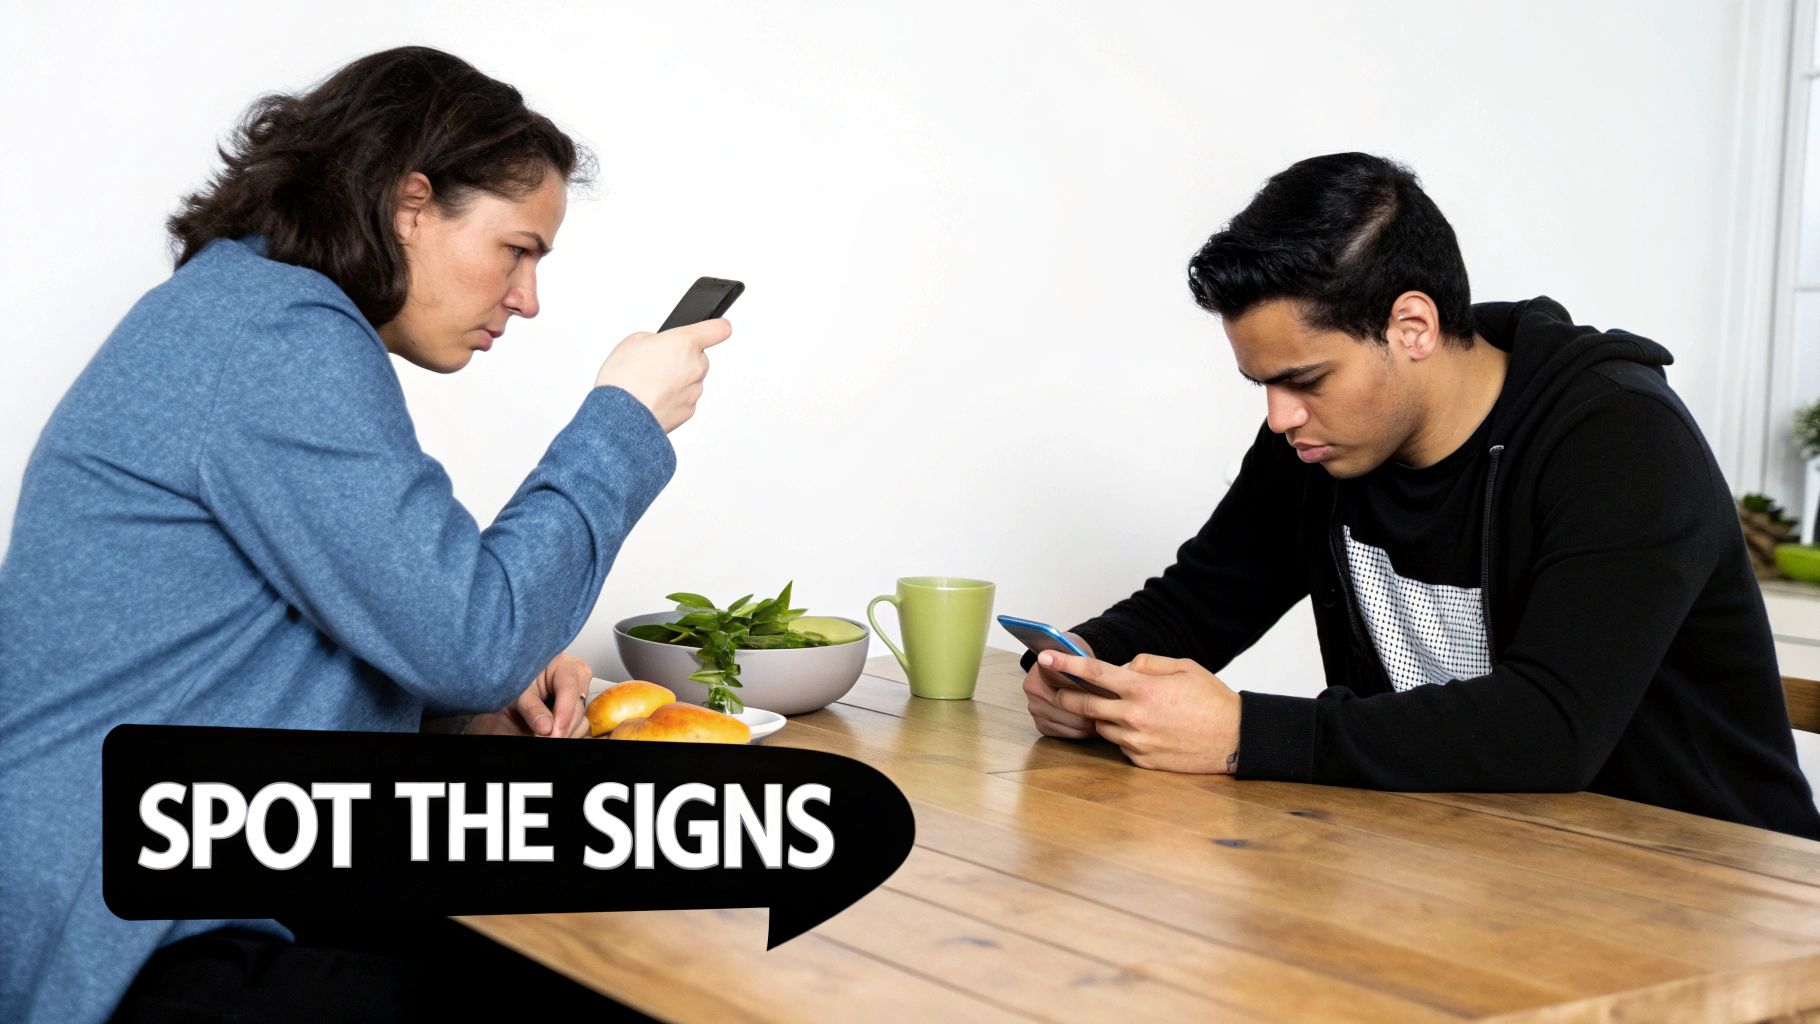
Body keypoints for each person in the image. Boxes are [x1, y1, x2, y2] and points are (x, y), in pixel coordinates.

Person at [0, 47, 726, 1023]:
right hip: (131, 939)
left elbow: (302, 647)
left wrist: (465, 705)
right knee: (627, 987)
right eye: (517, 250)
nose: (527, 297)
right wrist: (624, 420)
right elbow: (471, 638)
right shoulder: (276, 335)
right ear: (410, 204)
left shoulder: (242, 308)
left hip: (176, 877)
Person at [1021, 152, 1820, 841]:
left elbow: (1551, 728)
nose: (1280, 417)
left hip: (1720, 883)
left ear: (1412, 327)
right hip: (1486, 859)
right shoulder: (1316, 443)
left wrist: (1244, 733)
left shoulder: (1619, 441)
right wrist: (1077, 664)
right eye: (1262, 384)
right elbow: (1203, 599)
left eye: (1305, 380)